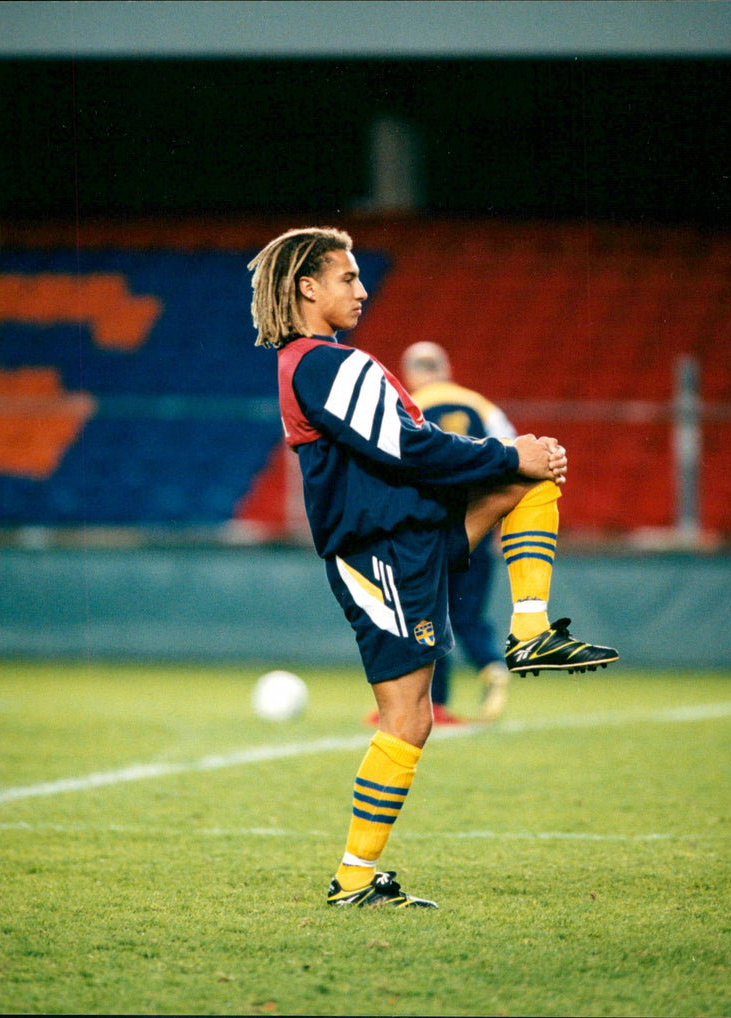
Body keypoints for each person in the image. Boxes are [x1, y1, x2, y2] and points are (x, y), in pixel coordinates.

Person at [247, 227, 618, 909]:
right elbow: (408, 448)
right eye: (346, 278)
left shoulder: (323, 363)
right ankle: (354, 880)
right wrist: (507, 454)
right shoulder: (320, 363)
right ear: (307, 287)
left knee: (532, 484)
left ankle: (530, 628)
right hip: (382, 550)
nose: (361, 290)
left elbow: (407, 449)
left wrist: (514, 462)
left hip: (407, 532)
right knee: (406, 717)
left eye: (361, 277)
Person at [398, 341, 516, 725]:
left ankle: (436, 703)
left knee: (429, 615)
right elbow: (514, 459)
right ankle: (492, 667)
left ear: (410, 372)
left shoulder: (407, 406)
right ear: (446, 367)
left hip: (427, 532)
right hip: (476, 529)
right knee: (468, 615)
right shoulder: (482, 406)